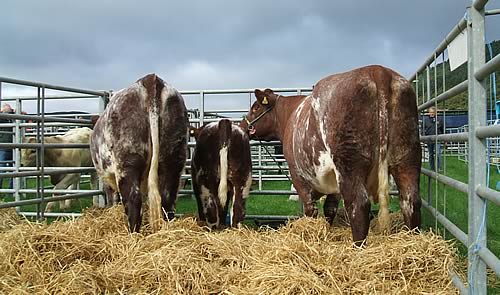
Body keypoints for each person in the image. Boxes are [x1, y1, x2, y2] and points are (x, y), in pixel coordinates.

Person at [423, 106, 444, 171]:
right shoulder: (425, 120)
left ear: (435, 113)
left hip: (438, 138)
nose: (431, 114)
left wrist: (444, 138)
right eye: (430, 112)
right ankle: (432, 168)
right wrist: (424, 138)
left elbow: (442, 129)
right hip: (429, 139)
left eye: (433, 112)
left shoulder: (439, 119)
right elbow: (423, 129)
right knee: (431, 154)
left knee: (438, 153)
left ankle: (439, 167)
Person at [0, 103, 14, 189]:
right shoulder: (2, 119)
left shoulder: (13, 119)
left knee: (14, 170)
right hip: (4, 147)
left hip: (13, 147)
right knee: (1, 169)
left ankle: (12, 190)